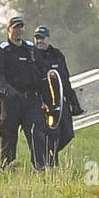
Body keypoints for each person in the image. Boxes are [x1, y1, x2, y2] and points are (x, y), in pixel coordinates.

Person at [0, 16, 50, 170]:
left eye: (21, 27)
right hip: (11, 101)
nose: (18, 31)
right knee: (8, 135)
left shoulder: (31, 49)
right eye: (15, 27)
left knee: (37, 133)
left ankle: (41, 166)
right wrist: (7, 90)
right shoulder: (2, 51)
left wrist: (46, 98)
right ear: (9, 30)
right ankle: (8, 166)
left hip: (31, 100)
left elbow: (42, 73)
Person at [33, 25, 83, 166]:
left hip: (60, 101)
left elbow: (65, 80)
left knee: (67, 134)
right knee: (51, 134)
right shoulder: (32, 56)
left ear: (48, 39)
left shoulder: (57, 55)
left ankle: (50, 155)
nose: (39, 41)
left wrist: (74, 103)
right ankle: (49, 163)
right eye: (37, 38)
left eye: (42, 38)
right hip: (43, 102)